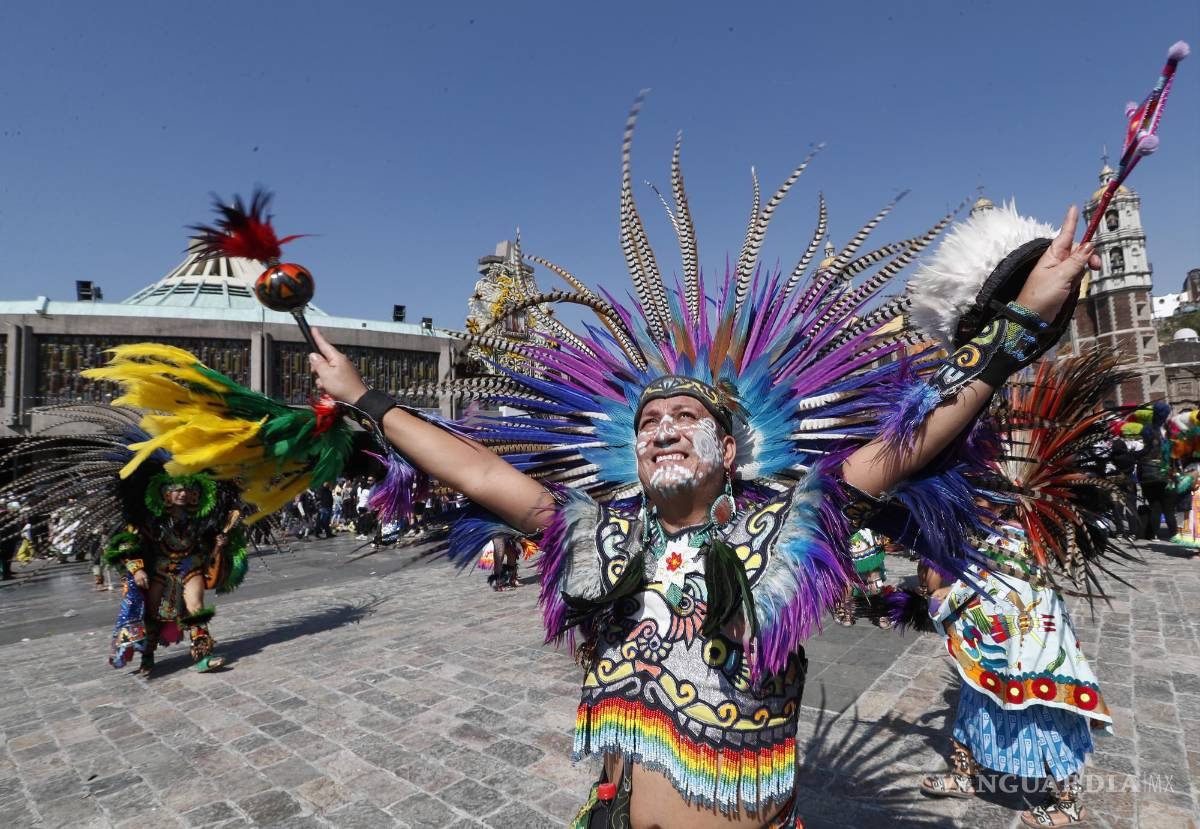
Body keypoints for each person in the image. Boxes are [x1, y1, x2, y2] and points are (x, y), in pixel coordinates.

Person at [308, 115, 1097, 825]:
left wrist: (1023, 319)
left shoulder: (790, 524)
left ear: (733, 447)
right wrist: (363, 396)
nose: (662, 429)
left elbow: (912, 441)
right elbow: (478, 471)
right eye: (649, 422)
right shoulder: (600, 535)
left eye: (686, 417)